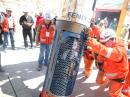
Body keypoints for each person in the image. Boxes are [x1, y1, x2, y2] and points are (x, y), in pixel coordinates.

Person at [87, 28, 129, 97]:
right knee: (98, 81)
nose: (102, 44)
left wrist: (93, 44)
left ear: (112, 40)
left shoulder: (119, 51)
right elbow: (99, 33)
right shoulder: (108, 39)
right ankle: (109, 81)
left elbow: (106, 51)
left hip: (118, 76)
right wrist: (93, 27)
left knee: (114, 94)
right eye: (101, 43)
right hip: (106, 70)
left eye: (103, 43)